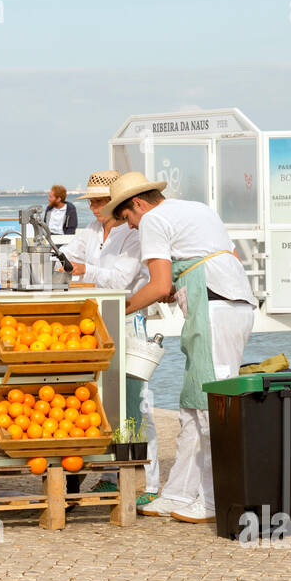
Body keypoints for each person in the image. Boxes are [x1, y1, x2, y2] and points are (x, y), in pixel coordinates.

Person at [111, 171, 256, 524]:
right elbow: (229, 254)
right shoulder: (196, 209)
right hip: (228, 303)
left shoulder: (153, 221)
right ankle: (177, 493)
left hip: (212, 308)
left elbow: (160, 286)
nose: (130, 227)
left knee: (210, 408)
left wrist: (121, 309)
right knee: (193, 406)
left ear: (138, 204)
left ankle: (211, 498)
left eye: (127, 218)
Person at [59, 170, 159, 501]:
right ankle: (110, 474)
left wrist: (84, 271)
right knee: (103, 401)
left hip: (128, 319)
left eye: (100, 202)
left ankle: (147, 479)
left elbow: (121, 280)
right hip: (94, 323)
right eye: (91, 202)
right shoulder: (90, 230)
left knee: (135, 402)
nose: (94, 208)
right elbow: (68, 255)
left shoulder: (133, 234)